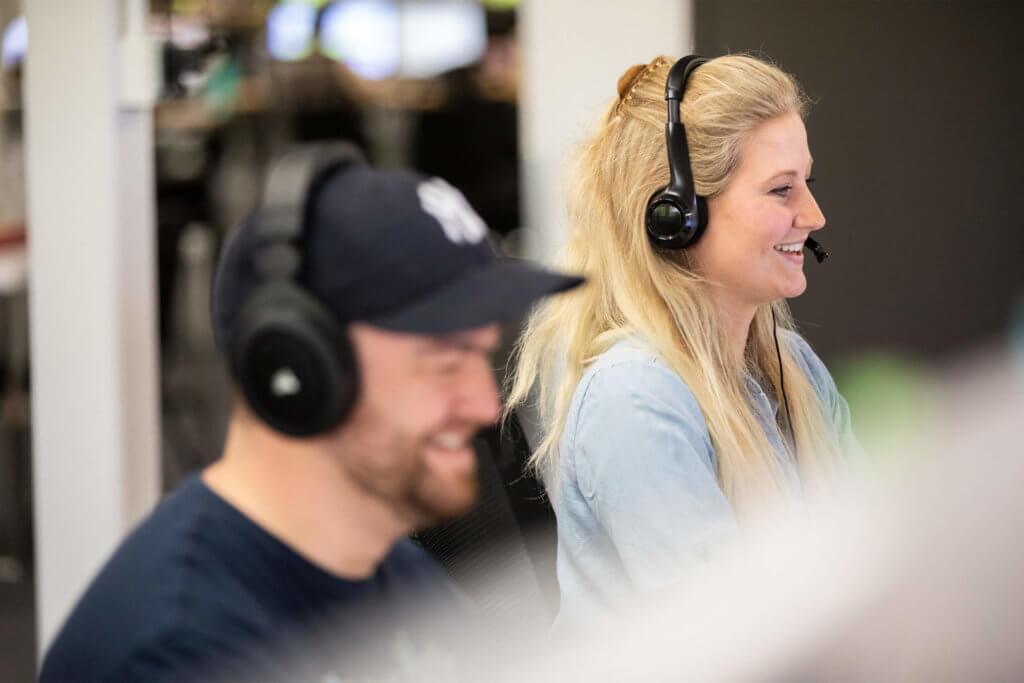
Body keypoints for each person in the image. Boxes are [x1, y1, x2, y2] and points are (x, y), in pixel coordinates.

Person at [39, 144, 582, 682]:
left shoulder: (388, 569)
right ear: (300, 375)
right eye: (443, 364)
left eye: (481, 356)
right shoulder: (178, 648)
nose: (486, 405)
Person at [505, 54, 858, 623]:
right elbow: (737, 640)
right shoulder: (636, 400)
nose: (813, 215)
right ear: (677, 216)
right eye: (781, 190)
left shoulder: (790, 366)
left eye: (806, 184)